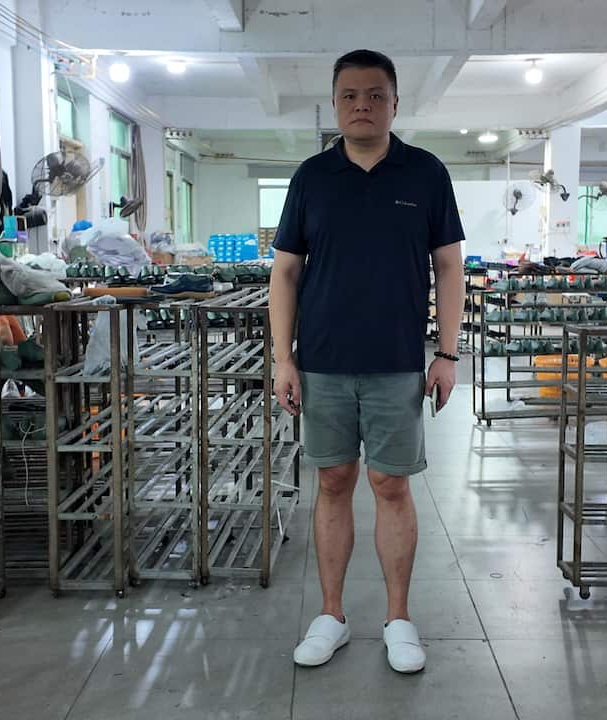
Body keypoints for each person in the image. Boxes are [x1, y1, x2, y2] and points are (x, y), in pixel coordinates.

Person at [268, 49, 465, 674]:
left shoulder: (426, 174)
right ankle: (331, 615)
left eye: (375, 95)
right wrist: (283, 359)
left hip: (396, 363)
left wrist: (447, 354)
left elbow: (450, 267)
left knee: (391, 486)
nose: (362, 104)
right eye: (350, 95)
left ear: (395, 103)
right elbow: (285, 271)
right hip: (322, 361)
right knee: (331, 483)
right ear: (335, 104)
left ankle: (398, 618)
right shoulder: (310, 178)